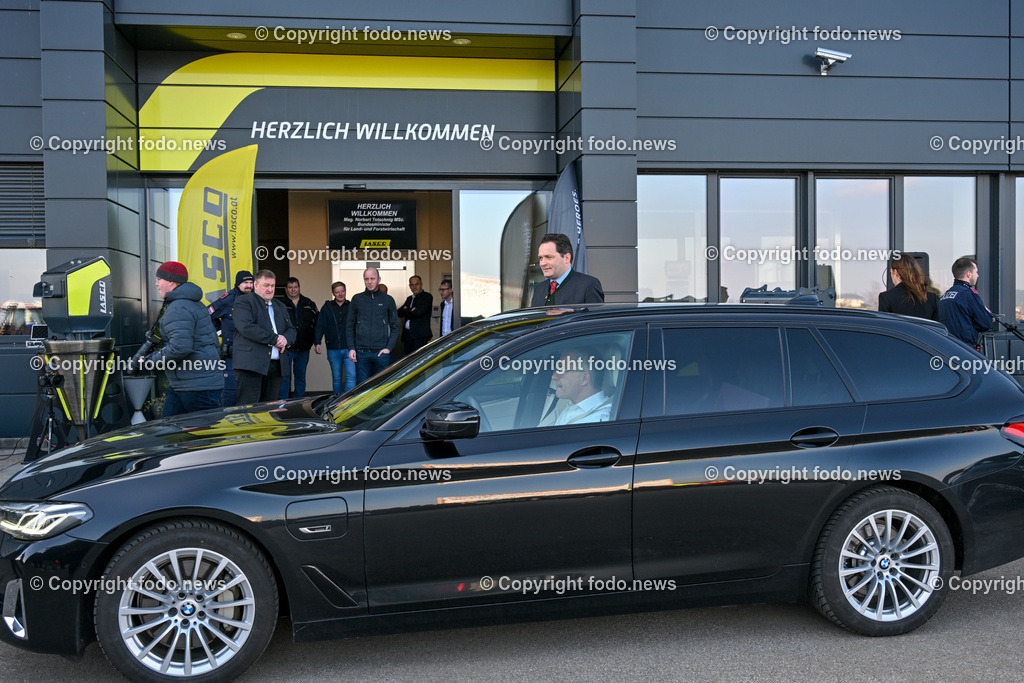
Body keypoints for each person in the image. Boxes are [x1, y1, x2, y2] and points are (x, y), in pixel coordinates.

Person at [143, 261, 224, 417]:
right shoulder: (194, 304)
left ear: (171, 282)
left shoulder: (179, 307)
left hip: (198, 387)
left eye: (159, 279)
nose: (156, 283)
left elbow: (180, 347)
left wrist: (150, 360)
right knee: (171, 431)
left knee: (204, 438)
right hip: (187, 384)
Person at [233, 269, 296, 404]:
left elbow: (291, 329)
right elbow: (246, 327)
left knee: (270, 408)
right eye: (266, 285)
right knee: (249, 408)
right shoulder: (244, 301)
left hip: (276, 366)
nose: (270, 289)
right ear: (256, 285)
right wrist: (275, 339)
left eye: (272, 286)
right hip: (251, 365)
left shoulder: (280, 306)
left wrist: (285, 339)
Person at [208, 270, 253, 406]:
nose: (249, 286)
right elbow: (208, 314)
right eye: (245, 283)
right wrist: (221, 331)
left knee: (249, 391)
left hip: (251, 353)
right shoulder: (227, 300)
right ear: (238, 283)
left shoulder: (255, 299)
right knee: (231, 392)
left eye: (251, 282)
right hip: (232, 354)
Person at [347, 267, 399, 384]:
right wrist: (351, 348)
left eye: (372, 278)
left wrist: (389, 348)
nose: (369, 282)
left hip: (381, 353)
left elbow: (395, 326)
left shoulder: (388, 300)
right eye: (366, 279)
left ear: (379, 279)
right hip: (361, 352)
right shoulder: (357, 299)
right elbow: (350, 325)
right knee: (363, 388)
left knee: (382, 387)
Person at [530, 233, 604, 307]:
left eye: (549, 257)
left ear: (567, 258)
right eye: (540, 258)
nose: (542, 263)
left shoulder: (588, 286)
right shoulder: (539, 288)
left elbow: (595, 318)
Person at [938, 257, 995, 348]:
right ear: (969, 274)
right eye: (976, 272)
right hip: (964, 348)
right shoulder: (967, 294)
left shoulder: (945, 295)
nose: (978, 275)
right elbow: (986, 323)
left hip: (947, 347)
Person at [278, 277, 319, 399]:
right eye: (290, 287)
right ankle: (282, 405)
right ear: (286, 289)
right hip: (285, 348)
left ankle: (298, 403)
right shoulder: (279, 305)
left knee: (300, 377)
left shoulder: (309, 303)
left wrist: (315, 342)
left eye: (295, 287)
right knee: (284, 377)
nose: (293, 290)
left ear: (299, 288)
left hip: (303, 347)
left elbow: (317, 324)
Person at [314, 281, 357, 394]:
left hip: (349, 347)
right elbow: (320, 325)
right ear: (333, 293)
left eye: (342, 291)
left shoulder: (351, 306)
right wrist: (317, 342)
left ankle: (348, 403)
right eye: (337, 292)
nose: (340, 294)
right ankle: (337, 403)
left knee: (351, 377)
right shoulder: (327, 307)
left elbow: (358, 325)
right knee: (337, 378)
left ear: (345, 291)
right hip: (333, 348)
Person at [550, 347, 612, 425]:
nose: (554, 377)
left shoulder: (597, 420)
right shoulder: (571, 405)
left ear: (584, 378)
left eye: (561, 370)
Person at [398, 274, 433, 355]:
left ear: (421, 284)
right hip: (407, 336)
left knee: (418, 361)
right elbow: (399, 312)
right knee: (407, 361)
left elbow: (419, 312)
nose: (414, 287)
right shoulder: (409, 299)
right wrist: (411, 310)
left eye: (417, 284)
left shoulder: (427, 296)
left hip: (419, 336)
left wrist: (406, 310)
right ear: (409, 286)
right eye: (412, 285)